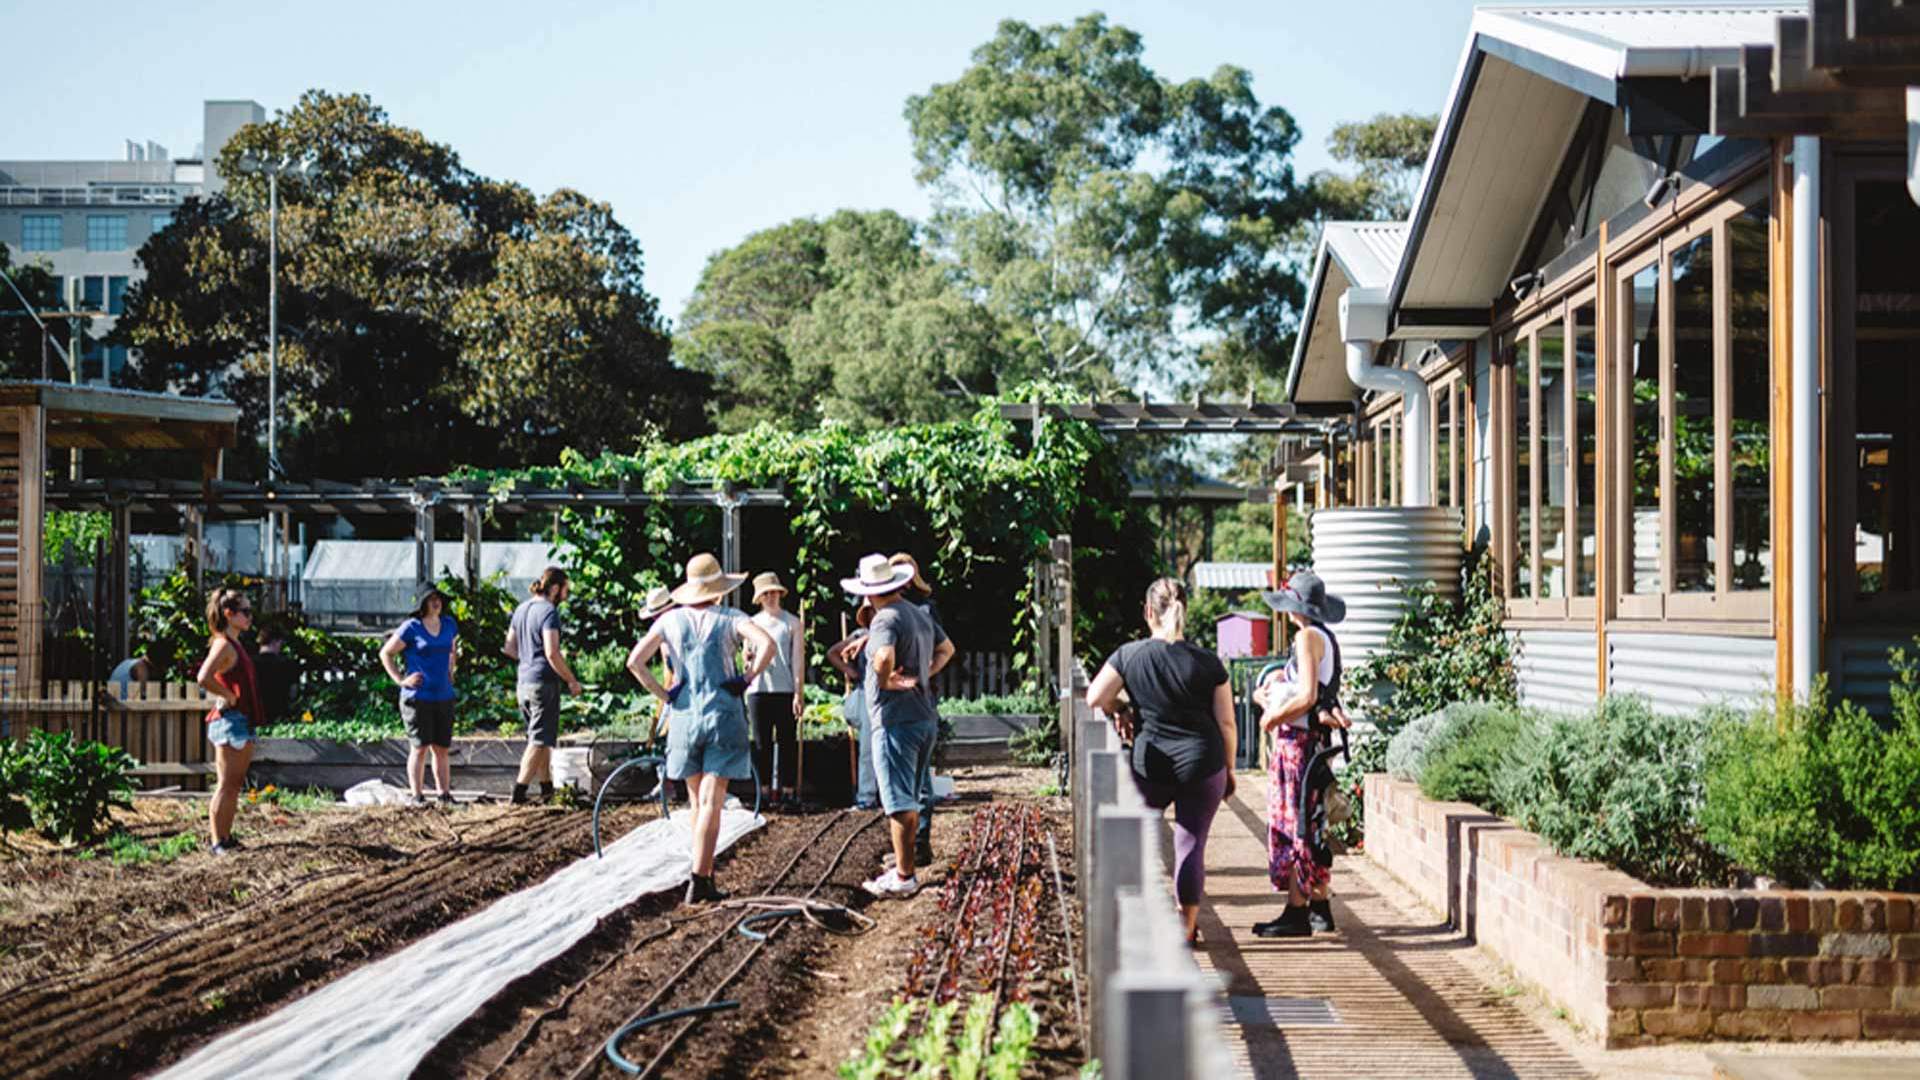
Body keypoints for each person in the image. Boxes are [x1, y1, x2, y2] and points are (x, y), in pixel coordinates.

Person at [1085, 578, 1235, 945]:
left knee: (1136, 838)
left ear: (1148, 612)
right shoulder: (1209, 662)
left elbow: (1094, 697)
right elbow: (1227, 723)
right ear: (1185, 611)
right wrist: (1228, 770)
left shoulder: (1130, 655)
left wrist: (1120, 706)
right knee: (1190, 844)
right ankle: (1186, 927)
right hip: (1203, 763)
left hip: (1150, 766)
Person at [627, 553, 776, 904]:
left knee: (696, 800)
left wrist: (665, 694)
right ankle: (700, 877)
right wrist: (748, 677)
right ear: (719, 590)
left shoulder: (670, 621)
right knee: (712, 800)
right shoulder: (730, 617)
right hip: (723, 714)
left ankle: (702, 874)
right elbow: (766, 643)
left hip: (683, 718)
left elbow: (635, 661)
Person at [844, 554, 954, 899]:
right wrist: (924, 674)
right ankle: (906, 867)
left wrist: (885, 679)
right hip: (923, 716)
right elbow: (947, 649)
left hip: (894, 719)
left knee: (898, 801)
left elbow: (882, 657)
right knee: (914, 795)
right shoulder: (917, 614)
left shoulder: (884, 619)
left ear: (869, 590)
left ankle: (904, 876)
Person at [1251, 570, 1351, 938]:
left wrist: (1273, 717)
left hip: (1299, 743)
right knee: (1311, 822)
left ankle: (1296, 910)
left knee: (1295, 823)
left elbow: (1308, 695)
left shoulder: (1307, 636)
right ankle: (1319, 906)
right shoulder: (1324, 636)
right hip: (1315, 743)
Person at [503, 567, 583, 805]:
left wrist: (528, 660)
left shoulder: (521, 609)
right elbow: (552, 652)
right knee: (538, 740)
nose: (566, 594)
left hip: (523, 682)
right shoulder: (549, 612)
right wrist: (571, 679)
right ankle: (518, 794)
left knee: (542, 738)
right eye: (565, 589)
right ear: (556, 588)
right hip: (543, 684)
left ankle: (547, 790)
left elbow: (509, 648)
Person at [194, 588, 261, 855]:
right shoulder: (223, 644)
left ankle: (225, 837)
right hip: (230, 720)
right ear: (228, 614)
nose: (249, 617)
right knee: (226, 784)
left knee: (234, 784)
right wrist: (228, 695)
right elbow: (203, 677)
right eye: (244, 612)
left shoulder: (234, 644)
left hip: (239, 719)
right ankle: (217, 841)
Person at [381, 585, 461, 805]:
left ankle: (444, 795)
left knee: (442, 748)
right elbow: (386, 653)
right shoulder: (411, 627)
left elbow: (451, 650)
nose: (436, 603)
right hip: (418, 697)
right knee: (420, 747)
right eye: (431, 599)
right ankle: (417, 796)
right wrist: (400, 680)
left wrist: (450, 672)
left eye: (439, 599)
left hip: (443, 695)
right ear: (423, 604)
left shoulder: (449, 625)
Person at [888, 553, 943, 866]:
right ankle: (911, 845)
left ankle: (919, 842)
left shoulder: (923, 610)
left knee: (917, 778)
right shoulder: (892, 610)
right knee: (911, 777)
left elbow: (944, 649)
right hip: (903, 698)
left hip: (918, 698)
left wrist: (924, 673)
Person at [744, 571, 805, 808]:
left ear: (780, 594)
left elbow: (798, 660)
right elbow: (746, 658)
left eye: (773, 592)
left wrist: (798, 693)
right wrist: (747, 660)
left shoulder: (792, 623)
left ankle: (788, 790)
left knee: (787, 741)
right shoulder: (752, 623)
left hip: (785, 688)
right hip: (758, 689)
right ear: (759, 598)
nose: (770, 597)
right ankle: (764, 791)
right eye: (765, 594)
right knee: (761, 743)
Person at [826, 601, 879, 810]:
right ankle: (866, 795)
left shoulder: (894, 629)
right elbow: (833, 653)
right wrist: (851, 671)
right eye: (871, 611)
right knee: (867, 748)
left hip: (890, 693)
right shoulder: (859, 635)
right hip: (866, 693)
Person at [251, 628, 300, 725]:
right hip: (281, 716)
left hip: (255, 715)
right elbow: (293, 693)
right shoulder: (288, 664)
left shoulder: (250, 663)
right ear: (275, 642)